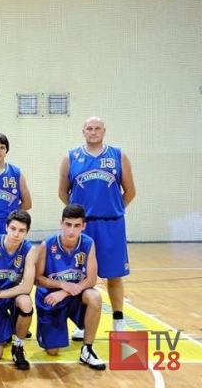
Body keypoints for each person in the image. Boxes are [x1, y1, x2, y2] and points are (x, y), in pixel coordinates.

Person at [58, 116, 136, 339]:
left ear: (104, 131)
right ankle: (83, 323)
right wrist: (77, 218)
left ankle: (118, 321)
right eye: (89, 128)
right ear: (83, 131)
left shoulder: (118, 155)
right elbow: (63, 192)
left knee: (114, 275)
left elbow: (130, 192)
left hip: (111, 224)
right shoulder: (71, 157)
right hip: (83, 227)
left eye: (97, 128)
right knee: (80, 275)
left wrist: (114, 209)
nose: (93, 132)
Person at [34, 204, 106, 371]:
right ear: (61, 223)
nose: (72, 231)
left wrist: (64, 292)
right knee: (52, 351)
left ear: (83, 226)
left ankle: (87, 349)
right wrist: (61, 285)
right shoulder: (47, 245)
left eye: (76, 226)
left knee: (94, 296)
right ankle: (55, 329)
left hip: (72, 295)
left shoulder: (88, 243)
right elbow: (37, 279)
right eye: (68, 224)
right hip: (50, 299)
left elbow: (91, 279)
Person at [0, 209, 36, 370]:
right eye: (13, 228)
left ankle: (18, 347)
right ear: (6, 227)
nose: (16, 234)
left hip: (9, 296)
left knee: (26, 302)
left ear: (27, 232)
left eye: (21, 230)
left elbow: (27, 286)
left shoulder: (29, 250)